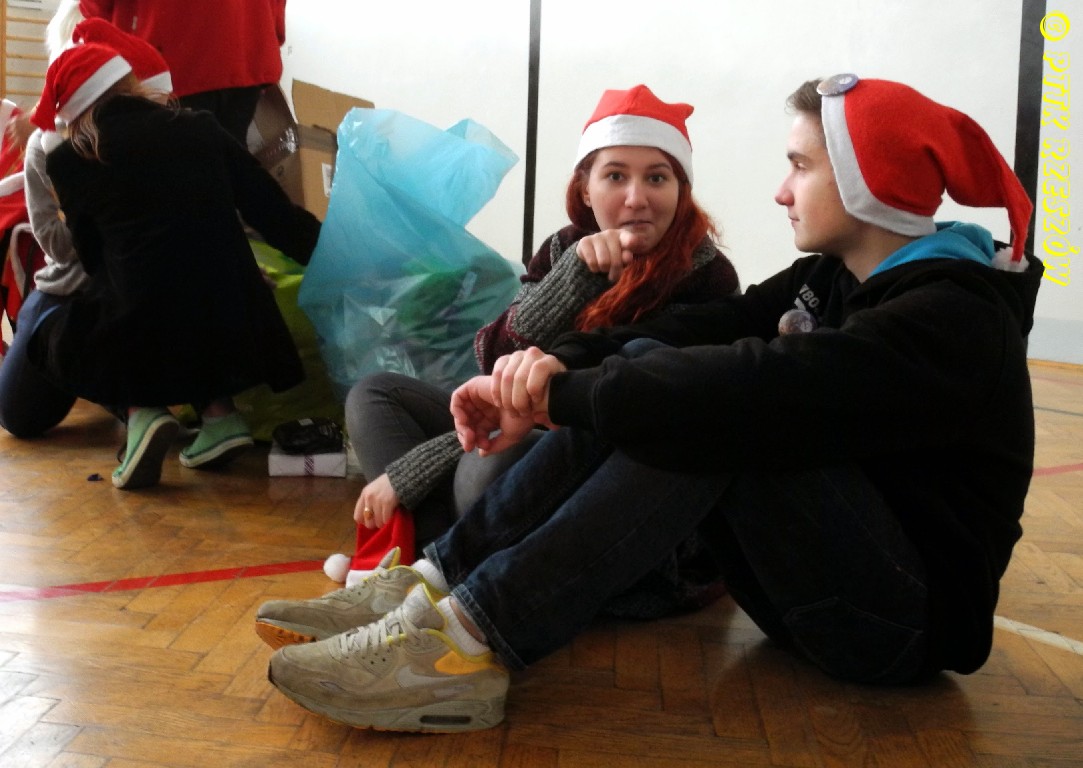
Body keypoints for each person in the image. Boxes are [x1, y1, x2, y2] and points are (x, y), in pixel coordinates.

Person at [262, 73, 1043, 733]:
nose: (780, 190)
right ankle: (437, 580)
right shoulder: (833, 278)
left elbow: (749, 381)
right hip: (807, 593)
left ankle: (463, 641)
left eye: (800, 165)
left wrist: (561, 397)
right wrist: (552, 367)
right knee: (660, 370)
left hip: (895, 627)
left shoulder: (951, 316)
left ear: (869, 178)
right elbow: (698, 330)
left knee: (715, 416)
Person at [253, 84, 740, 647]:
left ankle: (427, 567)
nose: (636, 198)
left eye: (657, 177)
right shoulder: (563, 249)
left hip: (588, 464)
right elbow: (496, 360)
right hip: (518, 422)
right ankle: (426, 564)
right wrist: (573, 278)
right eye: (615, 176)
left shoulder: (707, 277)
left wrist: (410, 471)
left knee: (486, 469)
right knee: (375, 395)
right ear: (585, 186)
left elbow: (590, 420)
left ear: (681, 189)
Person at [25, 42, 321, 489]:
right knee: (191, 294)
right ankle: (221, 417)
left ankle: (141, 411)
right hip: (235, 320)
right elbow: (273, 214)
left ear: (73, 112)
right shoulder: (200, 127)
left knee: (52, 334)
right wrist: (336, 258)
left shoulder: (70, 160)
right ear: (129, 82)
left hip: (145, 332)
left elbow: (93, 258)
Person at [0, 18, 173, 438]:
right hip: (85, 290)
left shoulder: (174, 139)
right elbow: (59, 245)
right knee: (17, 412)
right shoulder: (51, 149)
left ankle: (140, 405)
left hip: (119, 292)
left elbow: (63, 248)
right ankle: (136, 400)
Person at [78, 0, 288, 145]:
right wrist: (270, 36)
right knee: (231, 163)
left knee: (176, 169)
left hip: (172, 60)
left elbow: (94, 7)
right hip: (247, 52)